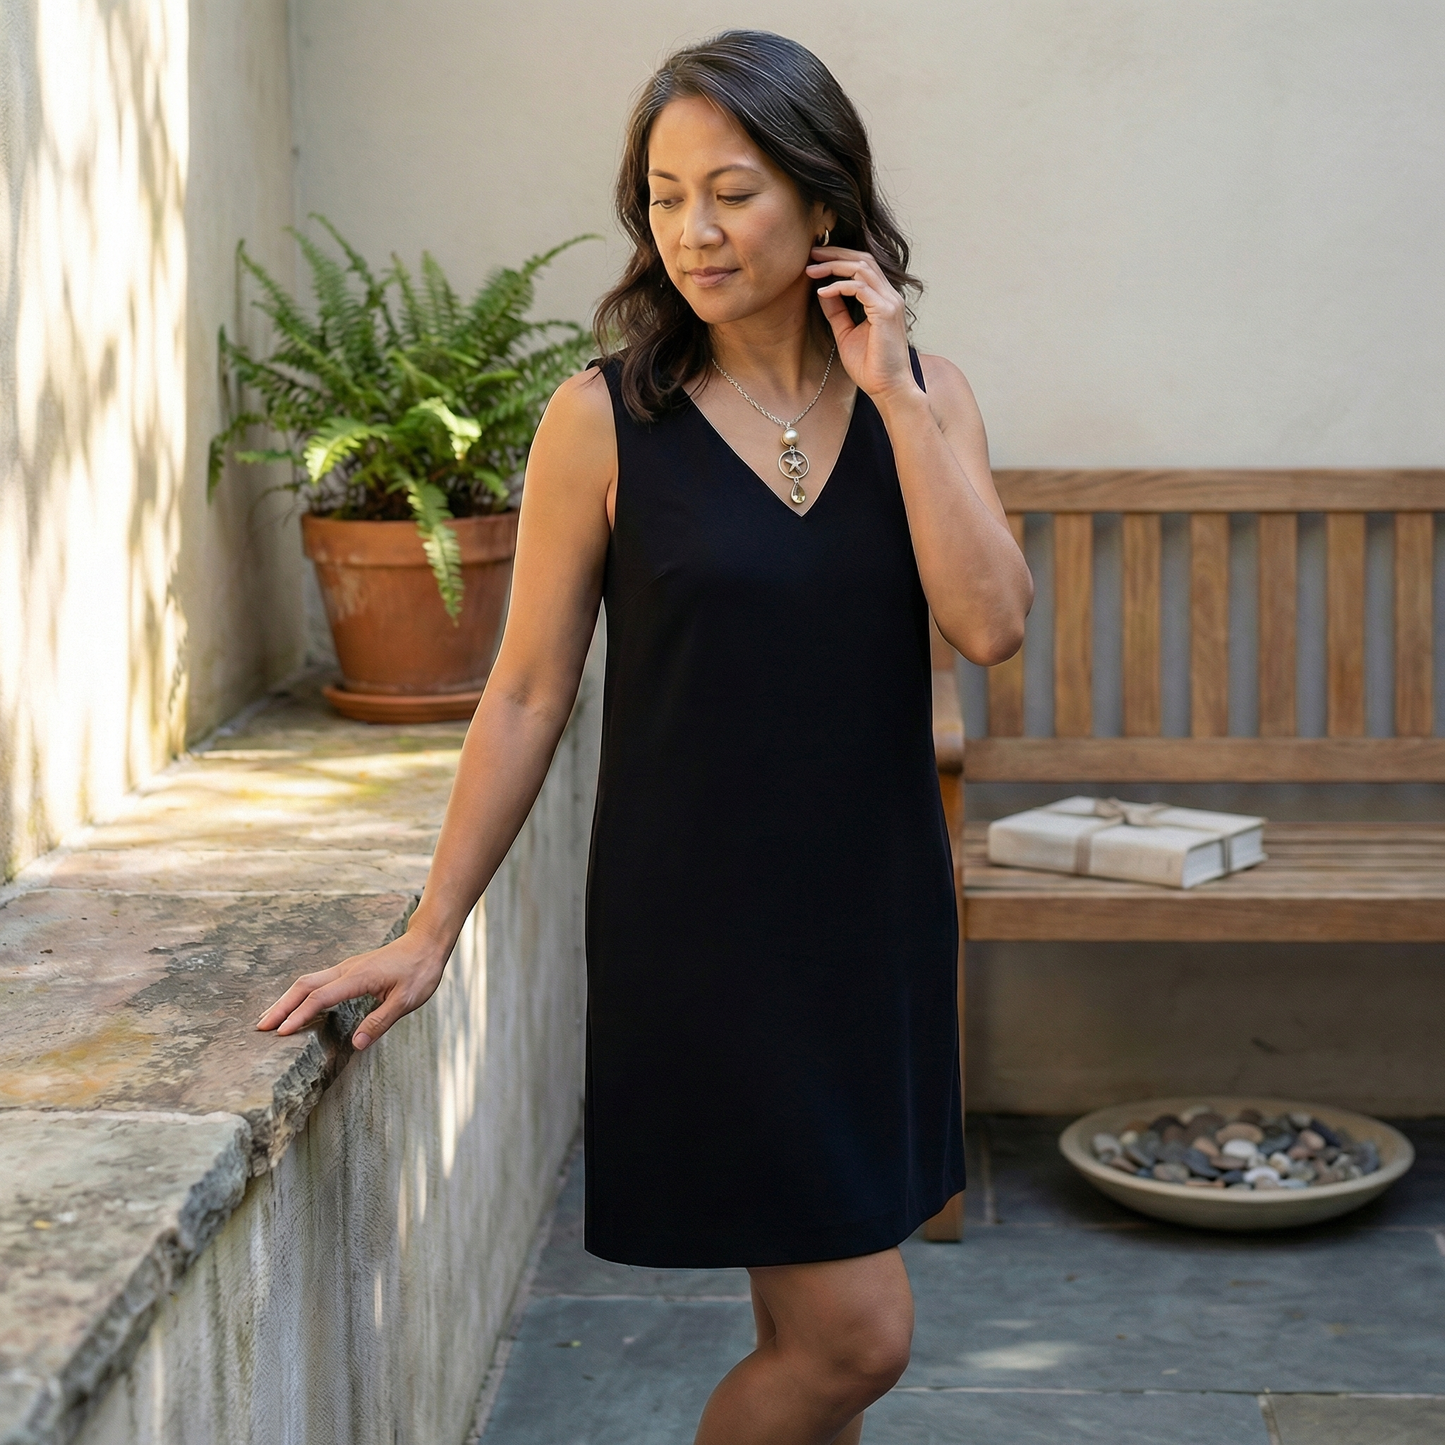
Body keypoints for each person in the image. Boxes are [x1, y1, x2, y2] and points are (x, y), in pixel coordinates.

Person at [258, 30, 1032, 1445]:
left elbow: (990, 625)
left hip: (874, 928)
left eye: (731, 191)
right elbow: (528, 689)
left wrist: (899, 402)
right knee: (859, 1341)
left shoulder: (928, 404)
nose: (694, 229)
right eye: (666, 194)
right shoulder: (605, 422)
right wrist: (430, 929)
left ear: (822, 203)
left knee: (805, 1328)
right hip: (705, 935)